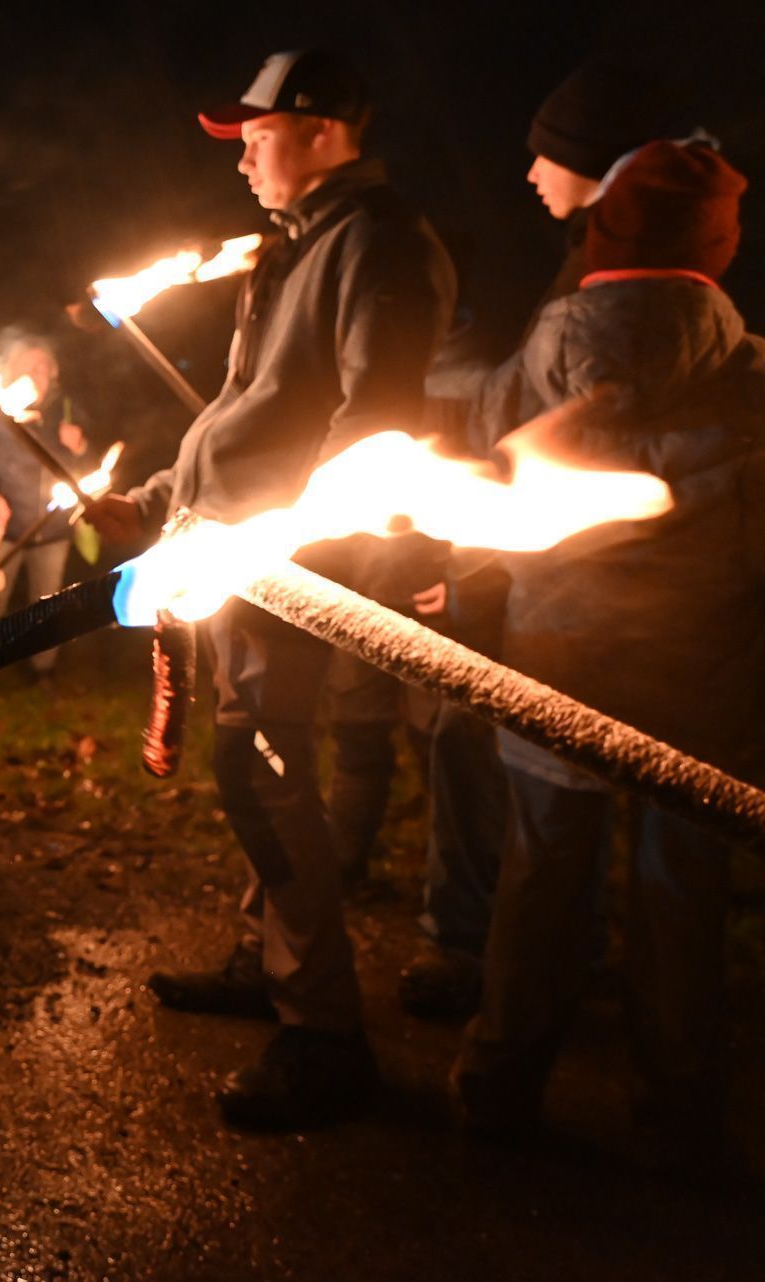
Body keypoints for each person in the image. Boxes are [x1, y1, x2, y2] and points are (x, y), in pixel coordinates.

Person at [91, 49, 456, 1129]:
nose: (243, 154)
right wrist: (161, 497)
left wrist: (292, 553)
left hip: (284, 571)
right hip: (234, 555)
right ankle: (271, 961)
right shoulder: (293, 250)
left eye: (257, 133)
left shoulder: (379, 246)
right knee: (258, 765)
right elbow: (246, 413)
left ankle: (323, 1030)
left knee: (263, 771)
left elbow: (371, 427)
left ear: (323, 129)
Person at [451, 142, 758, 1157]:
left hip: (559, 652)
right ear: (718, 247)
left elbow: (485, 469)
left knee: (541, 872)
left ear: (608, 229)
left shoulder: (545, 343)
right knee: (682, 888)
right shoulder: (748, 367)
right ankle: (680, 1106)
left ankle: (502, 1077)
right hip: (698, 666)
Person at [401, 60, 694, 1020]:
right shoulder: (716, 332)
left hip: (575, 624)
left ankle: (503, 1036)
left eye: (547, 153)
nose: (529, 171)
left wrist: (477, 576)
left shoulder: (586, 314)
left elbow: (547, 453)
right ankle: (668, 1079)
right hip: (685, 648)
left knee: (539, 825)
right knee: (662, 857)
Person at [0, 339, 96, 681]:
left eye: (44, 368)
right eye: (30, 367)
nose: (38, 375)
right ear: (14, 372)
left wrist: (81, 446)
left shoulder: (67, 410)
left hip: (53, 529)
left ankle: (43, 672)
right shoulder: (1, 413)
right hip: (7, 527)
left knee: (46, 606)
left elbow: (91, 469)